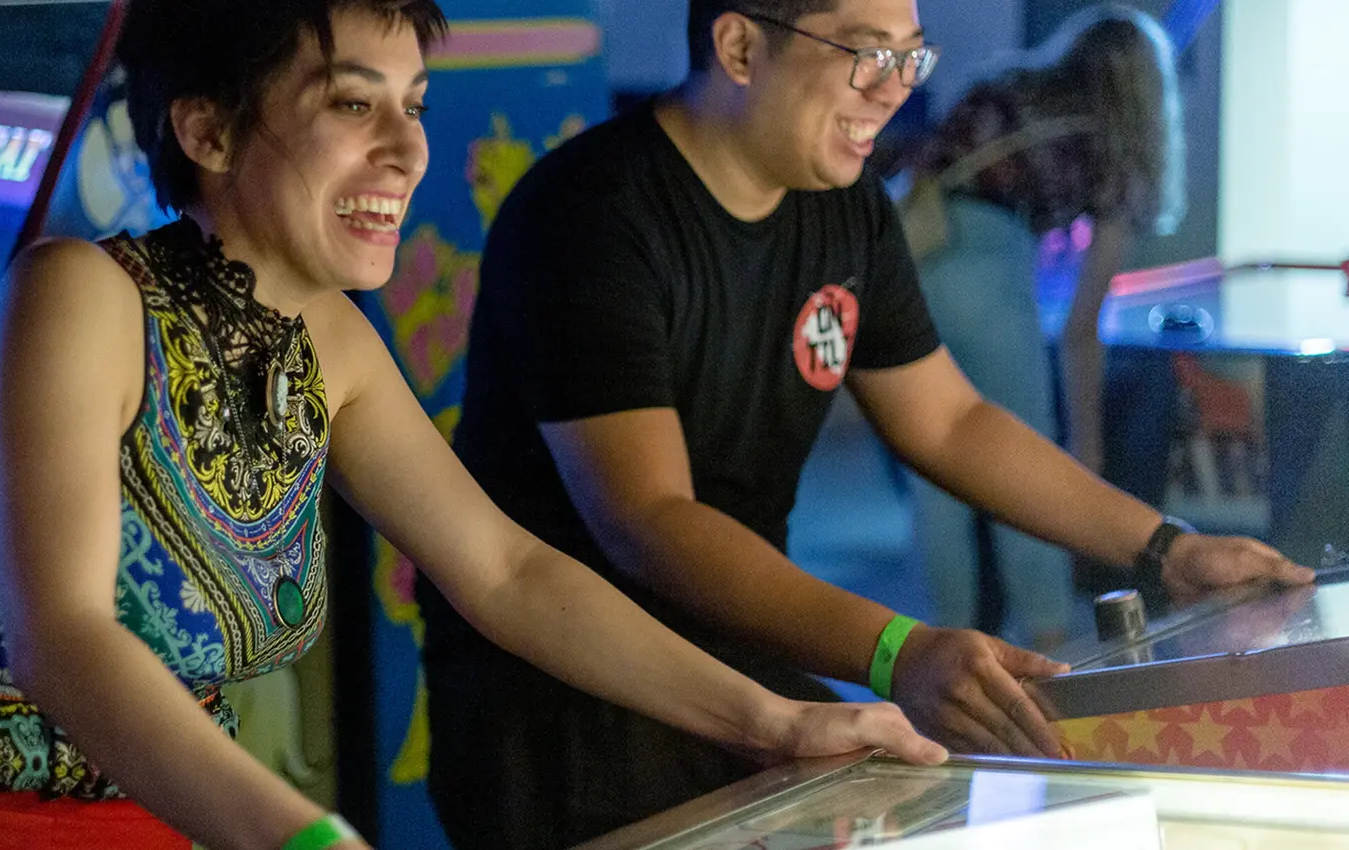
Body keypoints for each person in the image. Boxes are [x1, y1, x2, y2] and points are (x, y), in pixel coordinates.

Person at [0, 2, 946, 849]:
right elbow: (65, 639)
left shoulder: (332, 341)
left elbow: (501, 569)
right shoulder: (76, 297)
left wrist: (777, 723)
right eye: (353, 105)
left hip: (159, 816)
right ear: (206, 130)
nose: (407, 152)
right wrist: (307, 835)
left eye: (414, 107)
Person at [415, 1, 1312, 847]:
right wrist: (898, 649)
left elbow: (952, 421)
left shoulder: (842, 205)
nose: (895, 87)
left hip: (740, 655)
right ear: (738, 49)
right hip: (564, 690)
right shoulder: (597, 215)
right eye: (865, 54)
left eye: (910, 55)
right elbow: (651, 521)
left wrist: (1166, 548)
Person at [897, 5, 1186, 649]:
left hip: (914, 259)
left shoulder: (1007, 88)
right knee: (1020, 461)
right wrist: (1088, 451)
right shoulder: (1116, 146)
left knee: (932, 466)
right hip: (990, 276)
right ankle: (1052, 642)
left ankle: (942, 648)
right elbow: (1083, 327)